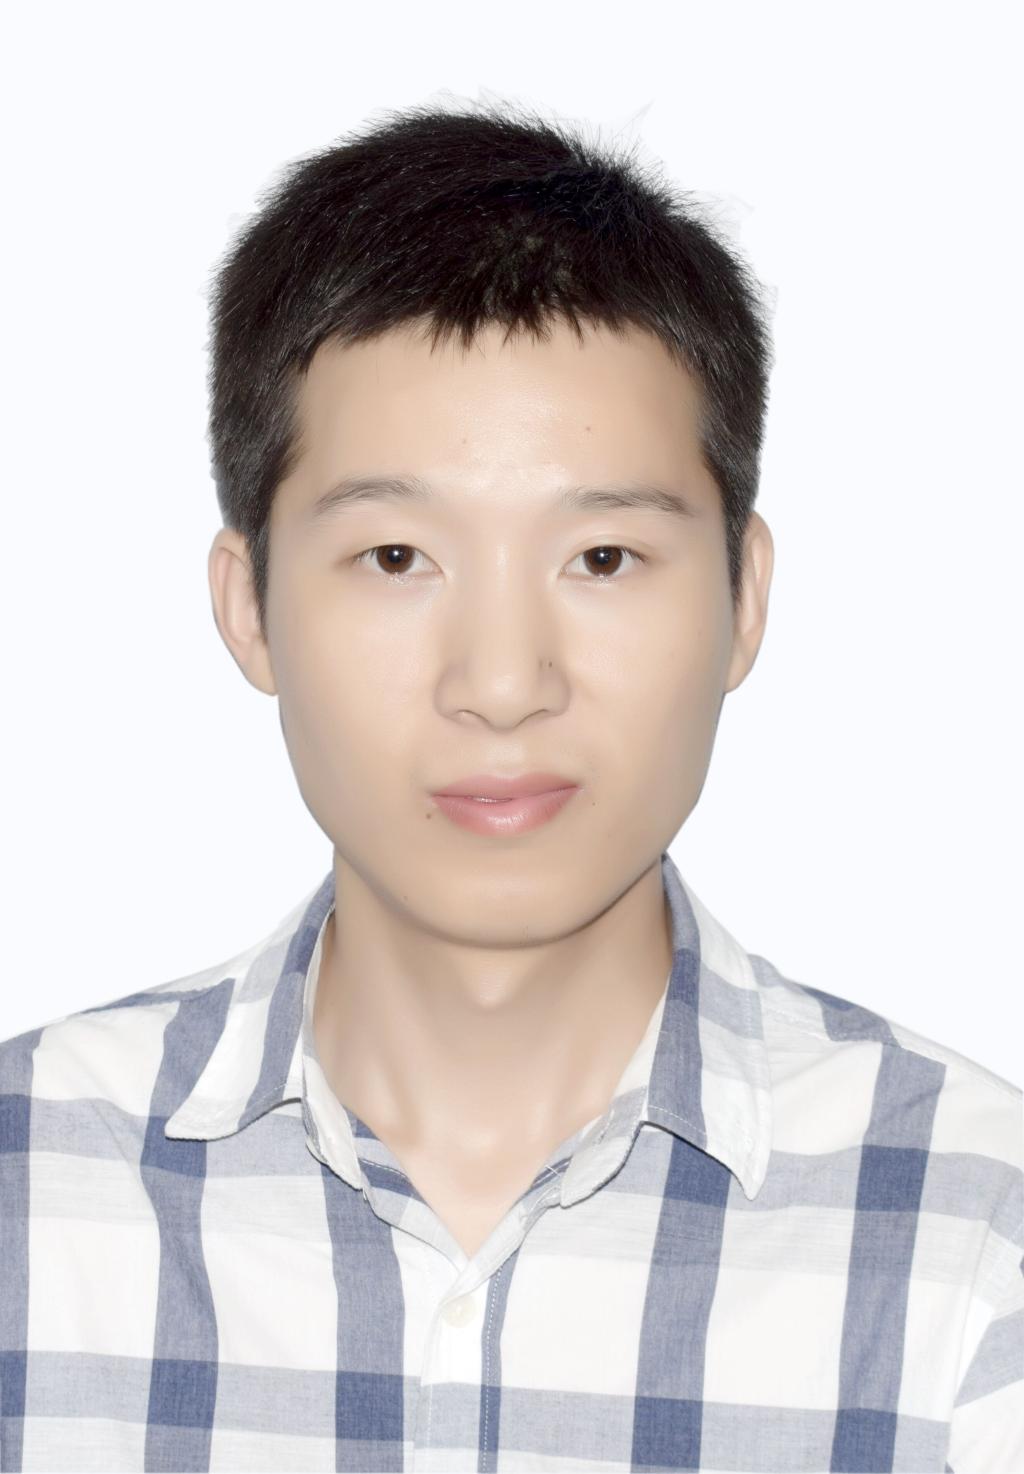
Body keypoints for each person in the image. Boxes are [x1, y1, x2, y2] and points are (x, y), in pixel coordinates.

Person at [1, 97, 1020, 1474]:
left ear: (743, 599)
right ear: (248, 608)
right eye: (396, 558)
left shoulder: (977, 1235)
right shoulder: (26, 1198)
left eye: (601, 558)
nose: (500, 680)